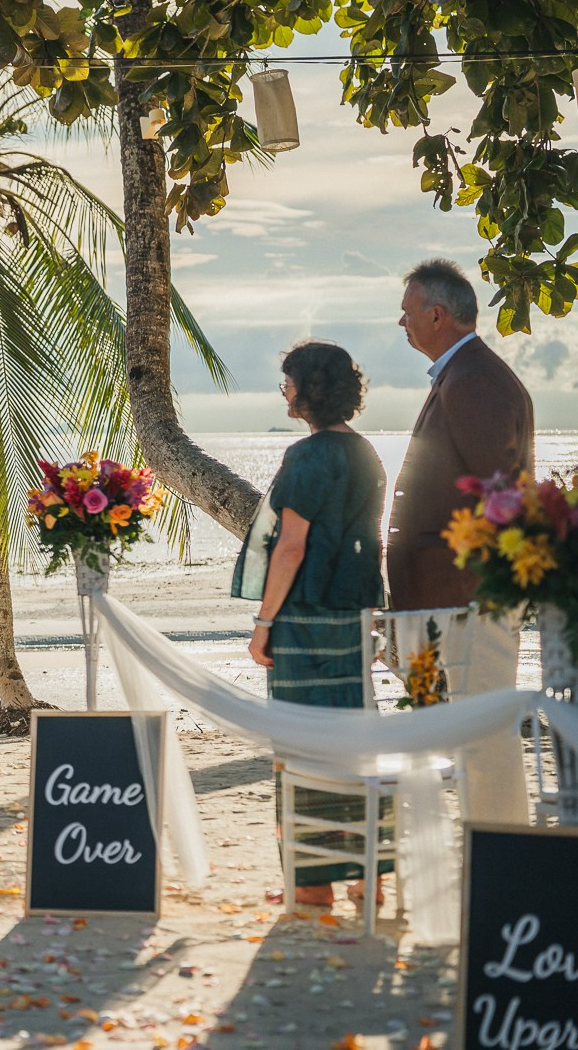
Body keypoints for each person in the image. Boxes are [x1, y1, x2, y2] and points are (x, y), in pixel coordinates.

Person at [238, 341, 389, 907]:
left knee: (302, 752)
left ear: (308, 390)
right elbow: (369, 544)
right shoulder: (368, 453)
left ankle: (313, 885)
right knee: (352, 748)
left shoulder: (306, 458)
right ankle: (367, 877)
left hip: (304, 620)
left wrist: (262, 622)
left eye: (289, 382)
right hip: (352, 616)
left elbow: (291, 548)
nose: (285, 391)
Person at [387, 257, 534, 823]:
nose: (402, 324)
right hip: (453, 592)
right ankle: (490, 843)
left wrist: (478, 586)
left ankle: (500, 849)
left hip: (469, 595)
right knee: (470, 732)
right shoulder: (464, 374)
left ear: (438, 314)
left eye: (407, 313)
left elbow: (498, 492)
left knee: (483, 732)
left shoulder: (474, 380)